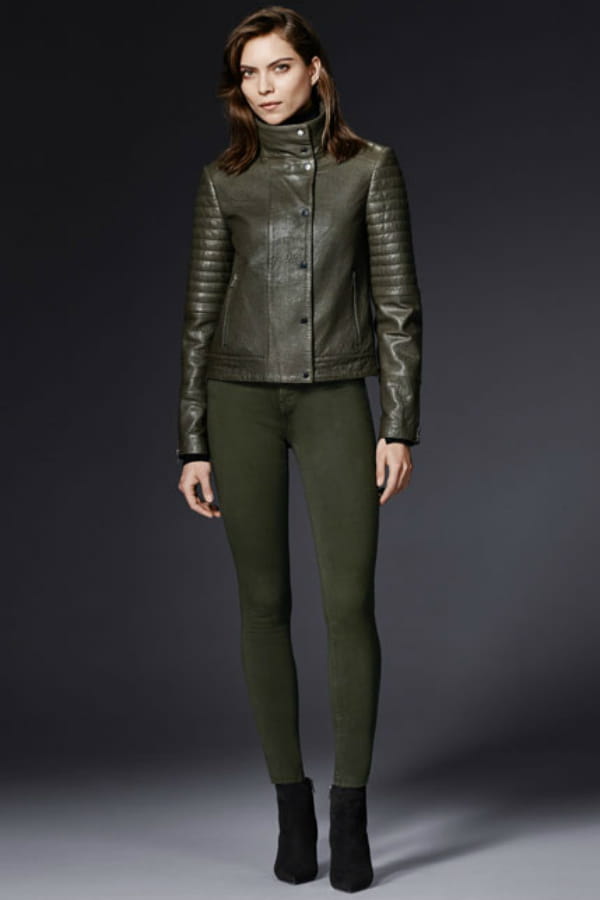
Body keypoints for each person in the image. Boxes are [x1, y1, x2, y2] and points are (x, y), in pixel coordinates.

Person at [176, 6, 422, 892]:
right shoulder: (223, 181)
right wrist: (192, 440)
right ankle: (291, 809)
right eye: (250, 73)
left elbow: (398, 305)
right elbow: (199, 319)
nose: (265, 86)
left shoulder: (370, 168)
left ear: (315, 69)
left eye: (279, 66)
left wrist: (398, 422)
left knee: (349, 604)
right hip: (239, 402)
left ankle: (350, 815)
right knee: (263, 605)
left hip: (335, 401)